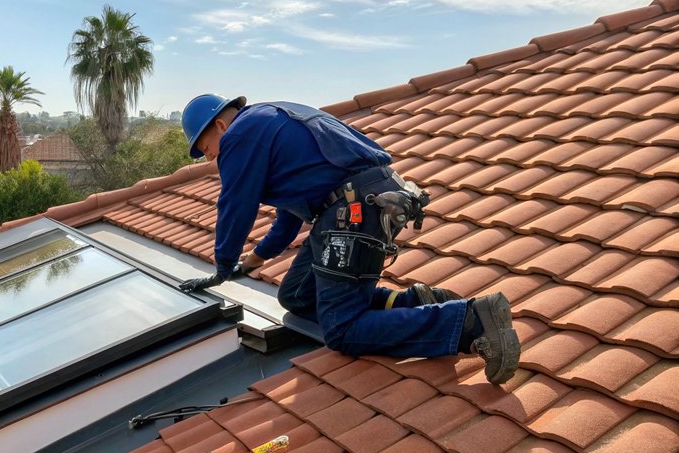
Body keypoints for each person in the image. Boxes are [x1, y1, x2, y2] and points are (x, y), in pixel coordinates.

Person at [177, 94, 520, 384]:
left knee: (342, 329)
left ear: (221, 126)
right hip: (370, 198)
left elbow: (235, 205)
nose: (212, 159)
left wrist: (221, 268)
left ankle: (470, 320)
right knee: (296, 295)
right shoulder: (269, 119)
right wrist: (250, 262)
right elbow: (287, 219)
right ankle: (415, 302)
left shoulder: (240, 134)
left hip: (353, 210)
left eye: (208, 150)